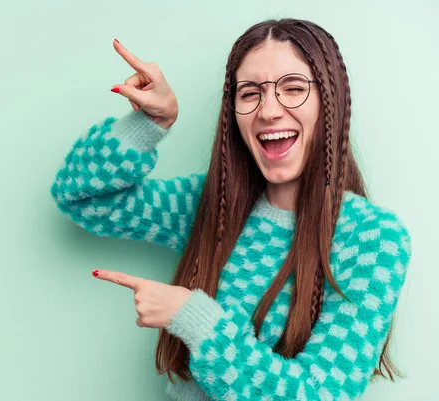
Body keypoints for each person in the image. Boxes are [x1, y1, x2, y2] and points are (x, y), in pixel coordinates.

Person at [50, 18, 412, 401]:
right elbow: (82, 197)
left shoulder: (373, 238)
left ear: (330, 101)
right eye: (250, 93)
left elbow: (321, 394)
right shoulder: (212, 205)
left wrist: (193, 318)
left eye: (293, 88)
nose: (269, 110)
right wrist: (149, 124)